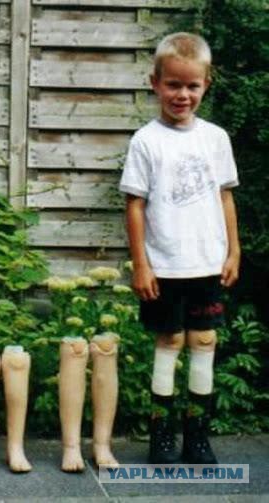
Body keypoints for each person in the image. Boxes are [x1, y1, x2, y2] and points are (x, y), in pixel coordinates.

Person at [119, 32, 240, 464]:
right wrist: (141, 264)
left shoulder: (216, 138)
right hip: (165, 266)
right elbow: (135, 205)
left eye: (192, 85)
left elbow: (225, 196)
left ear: (207, 84)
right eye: (173, 84)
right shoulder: (145, 141)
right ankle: (161, 436)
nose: (182, 95)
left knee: (204, 341)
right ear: (155, 83)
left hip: (207, 263)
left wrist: (234, 251)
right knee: (169, 341)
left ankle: (197, 436)